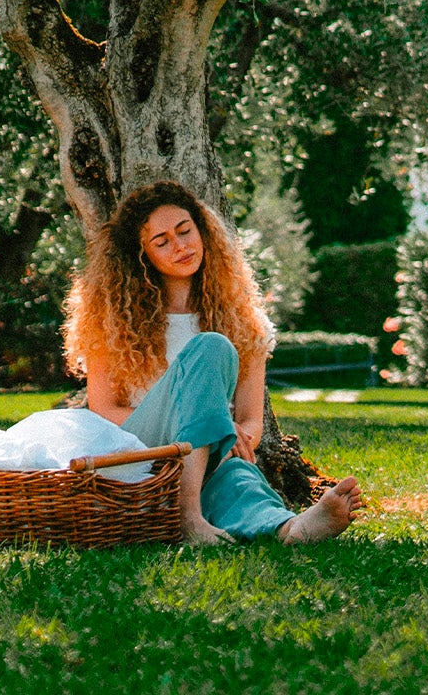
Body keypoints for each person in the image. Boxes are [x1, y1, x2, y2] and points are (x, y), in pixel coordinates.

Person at [63, 180, 362, 545]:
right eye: (162, 241)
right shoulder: (112, 319)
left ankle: (290, 528)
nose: (181, 246)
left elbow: (250, 420)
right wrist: (191, 427)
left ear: (202, 231)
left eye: (185, 231)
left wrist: (227, 430)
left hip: (209, 456)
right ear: (142, 256)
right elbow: (104, 408)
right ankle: (187, 517)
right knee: (211, 349)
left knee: (239, 479)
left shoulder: (242, 319)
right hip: (142, 445)